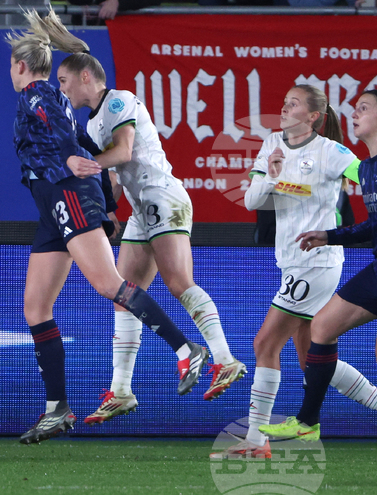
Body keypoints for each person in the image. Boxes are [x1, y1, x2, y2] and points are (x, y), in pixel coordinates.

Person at [8, 8, 208, 445]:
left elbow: (65, 140)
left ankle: (186, 349)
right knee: (35, 308)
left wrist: (75, 172)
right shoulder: (54, 97)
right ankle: (57, 409)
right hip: (54, 208)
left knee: (109, 285)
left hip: (65, 198)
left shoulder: (37, 96)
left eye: (12, 65)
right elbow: (82, 141)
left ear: (20, 66)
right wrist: (107, 201)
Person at [213, 85, 377, 459]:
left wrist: (350, 217)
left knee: (265, 343)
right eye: (283, 101)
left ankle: (256, 440)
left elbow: (365, 174)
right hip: (293, 257)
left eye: (293, 103)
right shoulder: (272, 143)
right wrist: (273, 176)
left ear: (314, 115)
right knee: (312, 355)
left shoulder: (333, 152)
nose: (284, 108)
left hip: (318, 263)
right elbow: (253, 199)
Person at [56, 54, 246, 424]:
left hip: (161, 194)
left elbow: (124, 152)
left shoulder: (117, 100)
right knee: (123, 296)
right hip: (140, 207)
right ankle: (121, 391)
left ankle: (224, 359)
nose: (61, 88)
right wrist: (107, 209)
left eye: (64, 80)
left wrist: (89, 165)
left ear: (84, 77)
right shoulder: (93, 124)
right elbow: (113, 175)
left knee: (178, 282)